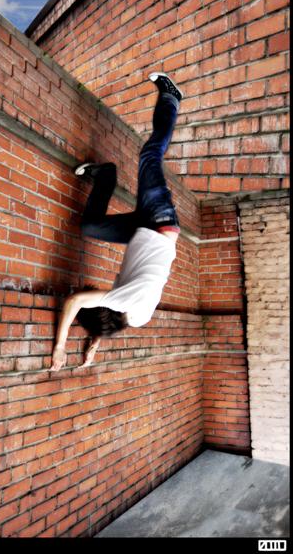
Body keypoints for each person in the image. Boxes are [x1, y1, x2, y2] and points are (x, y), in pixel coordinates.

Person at [50, 72, 183, 372]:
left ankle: (106, 176)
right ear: (103, 307)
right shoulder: (121, 301)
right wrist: (60, 346)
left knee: (90, 226)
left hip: (141, 231)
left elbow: (111, 319)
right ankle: (171, 98)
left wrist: (95, 342)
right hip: (159, 220)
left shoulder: (137, 318)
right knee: (150, 155)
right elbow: (74, 301)